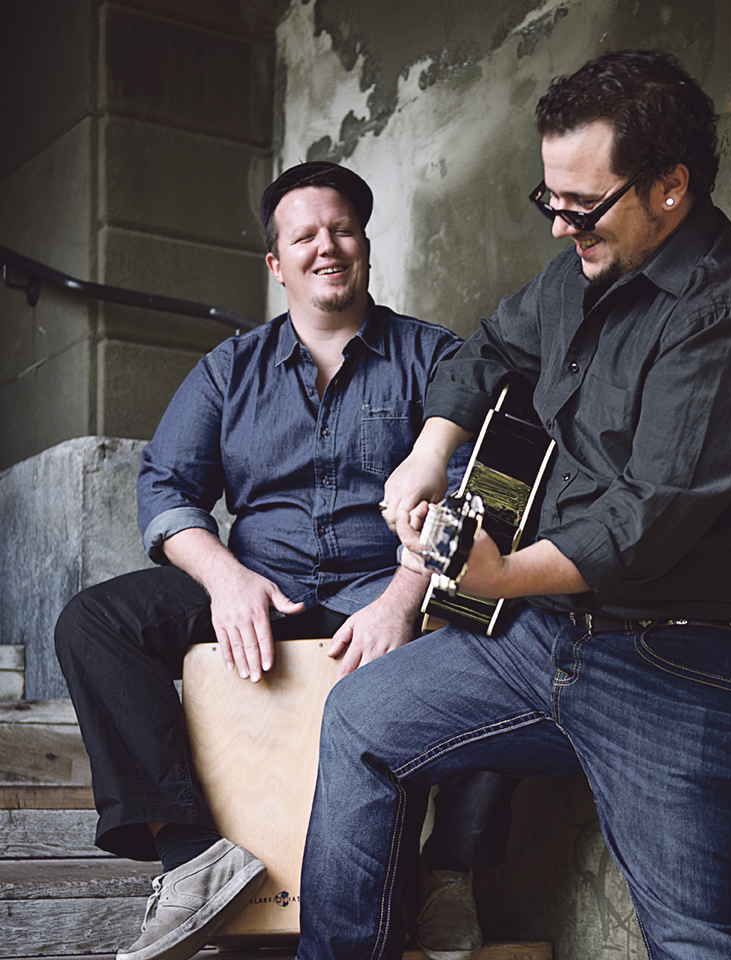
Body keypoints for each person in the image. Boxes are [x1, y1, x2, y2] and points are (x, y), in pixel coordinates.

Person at [293, 50, 731, 960]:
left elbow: (644, 521)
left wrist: (499, 572)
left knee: (701, 940)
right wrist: (430, 455)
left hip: (691, 658)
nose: (559, 228)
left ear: (670, 187)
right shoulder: (580, 271)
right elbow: (487, 352)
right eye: (549, 201)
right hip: (557, 630)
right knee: (361, 719)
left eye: (581, 206)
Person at [54, 161, 515, 960]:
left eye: (341, 229)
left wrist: (405, 598)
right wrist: (225, 579)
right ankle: (195, 860)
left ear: (365, 245)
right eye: (304, 235)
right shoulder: (230, 368)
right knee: (95, 621)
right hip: (264, 592)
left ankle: (448, 875)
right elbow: (166, 485)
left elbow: (486, 492)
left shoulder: (432, 356)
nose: (326, 246)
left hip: (389, 588)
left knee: (500, 625)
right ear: (277, 263)